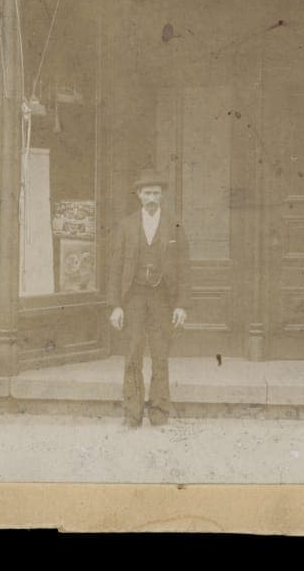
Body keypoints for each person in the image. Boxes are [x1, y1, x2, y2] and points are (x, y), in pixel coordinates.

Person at [107, 169, 191, 427]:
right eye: (147, 193)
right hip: (133, 298)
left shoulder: (175, 225)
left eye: (156, 193)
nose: (152, 198)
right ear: (139, 195)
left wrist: (181, 305)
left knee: (160, 355)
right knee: (133, 354)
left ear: (162, 195)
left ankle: (159, 413)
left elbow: (184, 268)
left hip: (162, 299)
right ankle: (132, 415)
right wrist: (116, 306)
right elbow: (116, 267)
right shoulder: (126, 225)